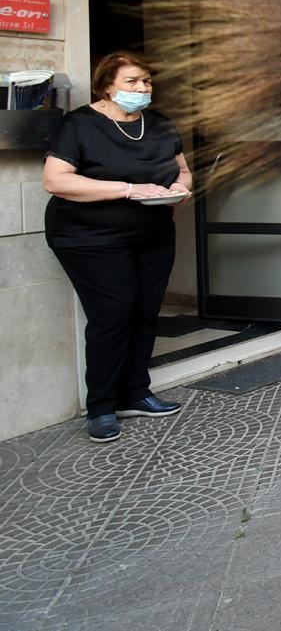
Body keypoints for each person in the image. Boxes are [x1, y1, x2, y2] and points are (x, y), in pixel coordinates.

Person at [41, 51, 191, 443]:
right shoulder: (79, 125)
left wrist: (179, 188)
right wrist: (128, 189)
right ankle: (102, 407)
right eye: (132, 82)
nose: (142, 89)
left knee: (144, 312)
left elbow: (183, 170)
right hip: (88, 237)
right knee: (113, 314)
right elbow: (56, 181)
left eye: (147, 82)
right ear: (107, 85)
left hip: (153, 232)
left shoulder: (159, 124)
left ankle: (135, 393)